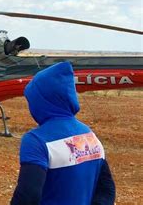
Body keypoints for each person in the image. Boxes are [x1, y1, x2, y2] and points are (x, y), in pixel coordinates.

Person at [10, 62, 115, 205]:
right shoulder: (89, 135)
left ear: (42, 100)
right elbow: (106, 189)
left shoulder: (36, 140)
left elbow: (28, 196)